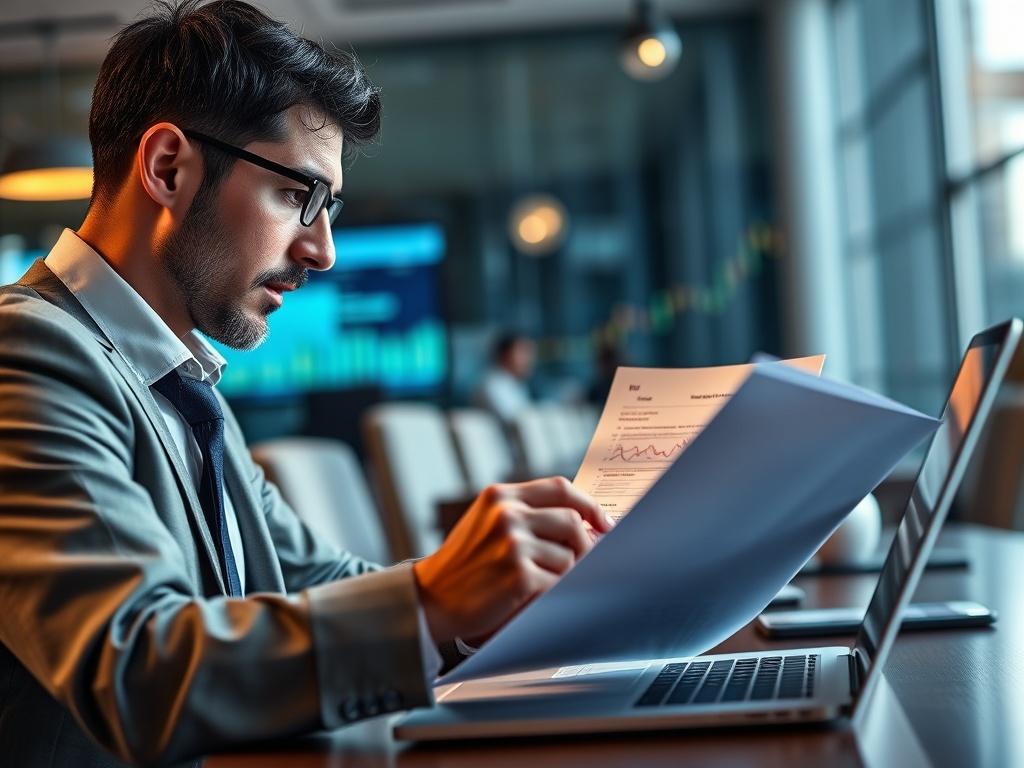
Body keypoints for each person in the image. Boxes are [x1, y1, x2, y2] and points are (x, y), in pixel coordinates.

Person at [0, 3, 611, 766]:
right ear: (167, 168)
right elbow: (136, 664)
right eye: (298, 195)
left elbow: (309, 582)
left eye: (329, 207)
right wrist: (429, 602)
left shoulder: (181, 380)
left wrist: (486, 608)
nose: (322, 251)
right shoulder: (25, 350)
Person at [474, 332, 537, 425]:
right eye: (522, 352)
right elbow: (516, 422)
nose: (528, 359)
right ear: (505, 355)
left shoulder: (515, 385)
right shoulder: (492, 386)